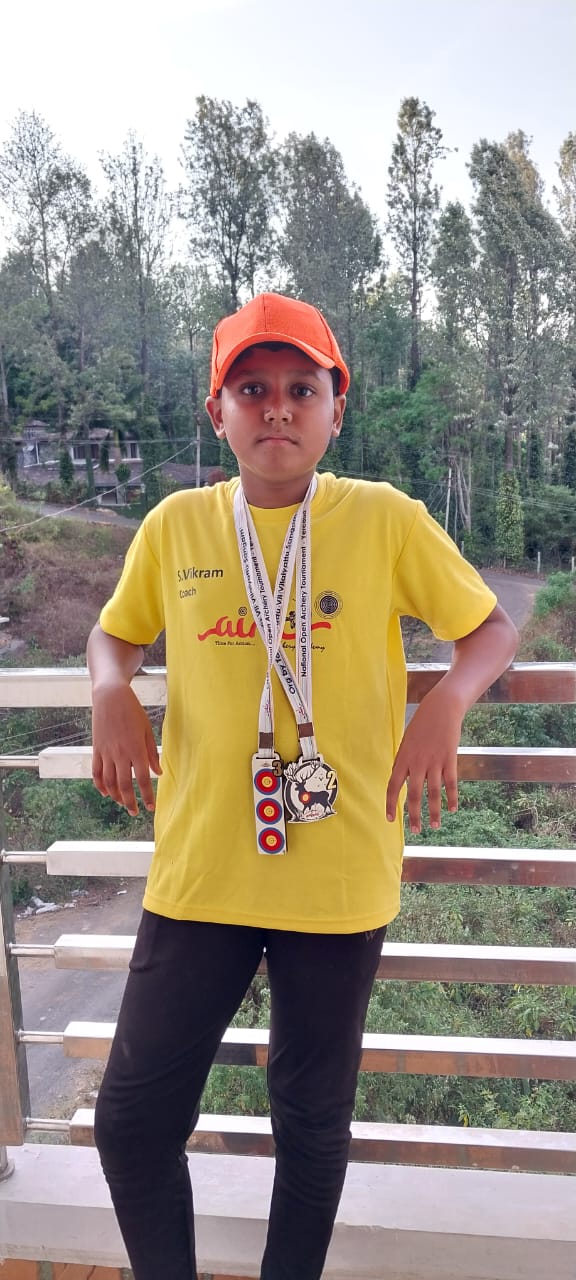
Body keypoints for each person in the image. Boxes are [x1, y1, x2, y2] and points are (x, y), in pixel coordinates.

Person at [87, 292, 518, 1280]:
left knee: (311, 1118)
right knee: (133, 1118)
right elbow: (116, 632)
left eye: (300, 388)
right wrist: (110, 686)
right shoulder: (177, 524)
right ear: (218, 412)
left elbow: (490, 629)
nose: (276, 407)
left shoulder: (384, 519)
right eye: (251, 389)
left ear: (336, 409)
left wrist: (446, 703)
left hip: (338, 873)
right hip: (202, 871)